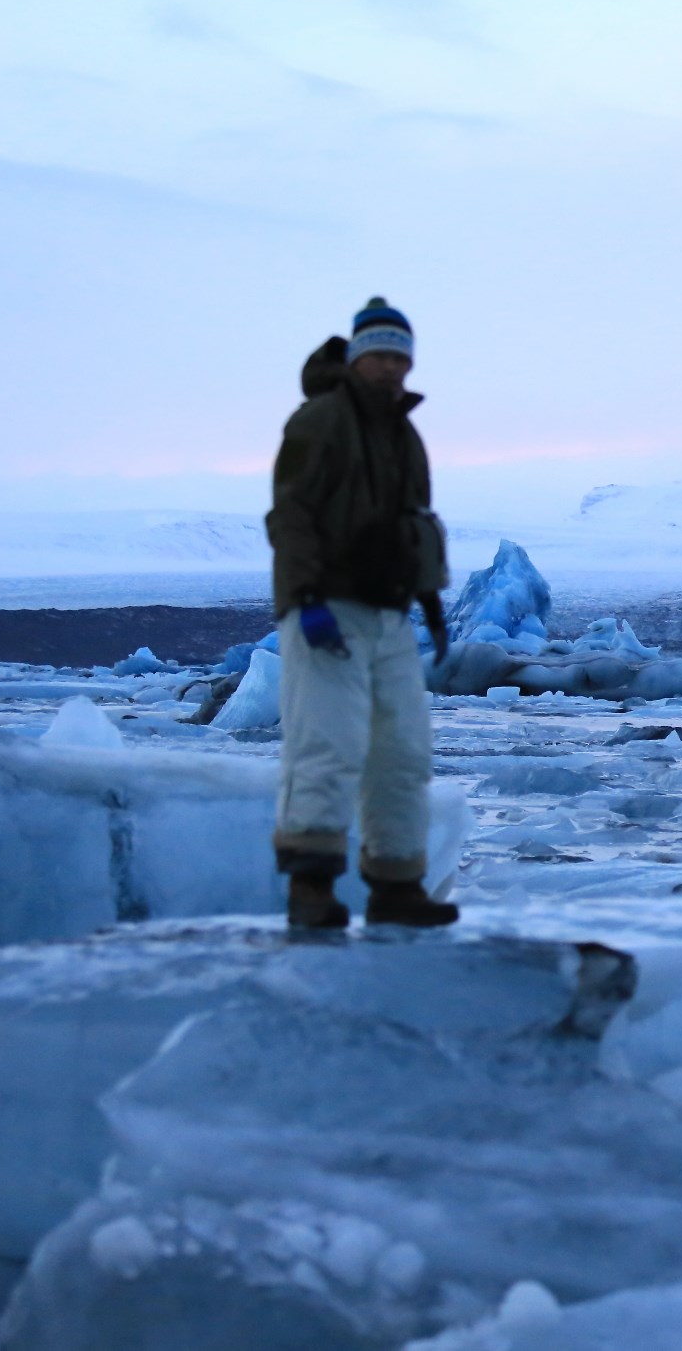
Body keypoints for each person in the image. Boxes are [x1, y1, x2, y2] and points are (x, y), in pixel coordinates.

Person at [266, 296, 457, 929]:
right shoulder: (317, 421)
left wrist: (429, 603)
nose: (389, 367)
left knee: (402, 751)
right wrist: (306, 600)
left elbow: (412, 526)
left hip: (389, 613)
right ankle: (311, 885)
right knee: (327, 741)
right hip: (329, 606)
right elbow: (290, 514)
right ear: (356, 356)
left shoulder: (404, 435)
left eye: (399, 356)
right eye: (377, 354)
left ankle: (397, 885)